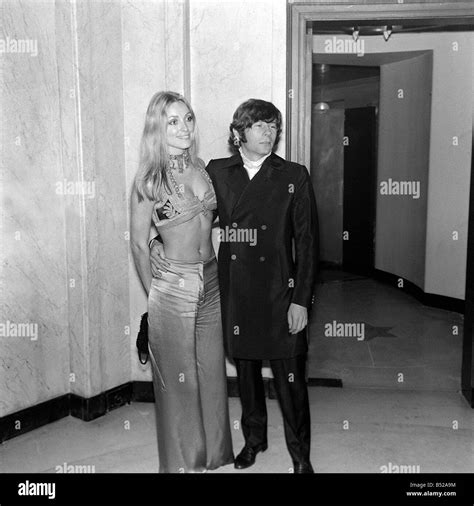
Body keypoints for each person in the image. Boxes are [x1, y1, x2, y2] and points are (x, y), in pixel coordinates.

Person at [151, 98, 319, 473]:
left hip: (281, 292)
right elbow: (189, 218)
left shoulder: (294, 175)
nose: (269, 133)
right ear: (237, 133)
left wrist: (301, 300)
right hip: (236, 292)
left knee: (291, 382)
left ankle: (300, 457)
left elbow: (308, 243)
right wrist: (155, 242)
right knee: (246, 377)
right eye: (260, 126)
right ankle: (254, 441)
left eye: (273, 126)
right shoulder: (217, 172)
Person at [130, 91, 234, 473]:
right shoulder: (148, 180)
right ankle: (182, 466)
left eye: (188, 118)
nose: (184, 127)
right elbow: (139, 244)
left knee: (210, 373)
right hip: (173, 288)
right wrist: (155, 296)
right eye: (173, 121)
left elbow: (207, 221)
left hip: (211, 279)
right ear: (158, 127)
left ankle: (213, 454)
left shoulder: (201, 166)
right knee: (179, 382)